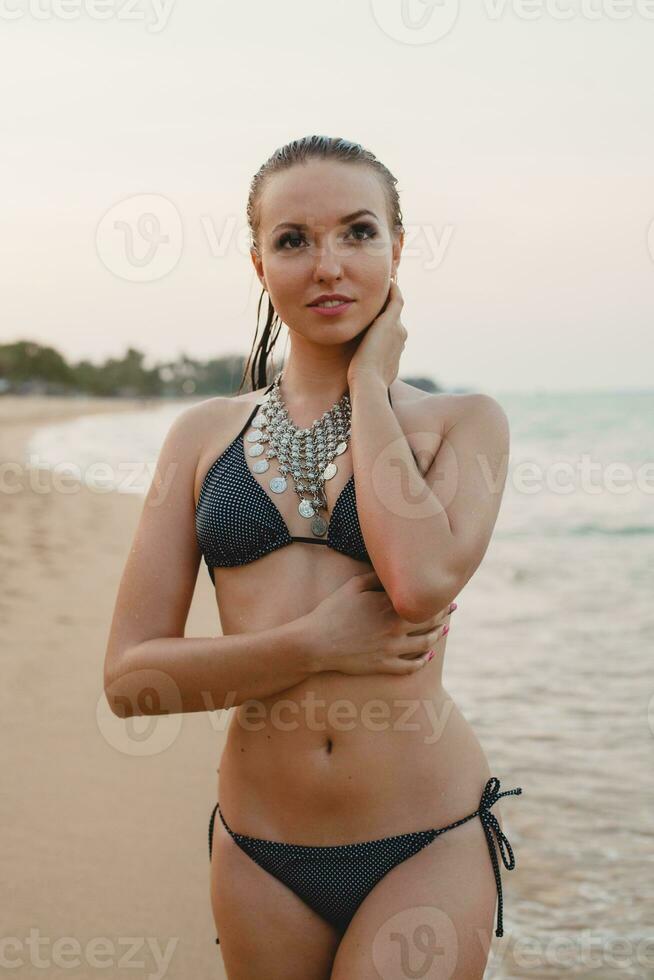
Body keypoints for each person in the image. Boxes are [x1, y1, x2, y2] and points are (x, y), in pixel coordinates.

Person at [104, 135, 523, 980]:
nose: (328, 263)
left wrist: (368, 386)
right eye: (293, 240)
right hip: (260, 852)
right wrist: (314, 646)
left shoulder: (464, 425)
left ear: (396, 251)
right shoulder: (199, 438)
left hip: (424, 840)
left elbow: (418, 581)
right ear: (259, 264)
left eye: (358, 233)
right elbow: (128, 680)